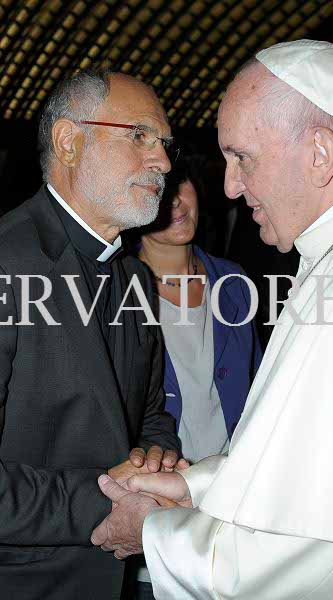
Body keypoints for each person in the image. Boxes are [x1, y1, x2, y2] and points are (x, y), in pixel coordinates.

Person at [93, 40, 333, 599]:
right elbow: (295, 452)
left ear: (320, 154)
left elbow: (308, 552)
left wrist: (155, 532)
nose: (230, 186)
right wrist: (192, 486)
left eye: (242, 157)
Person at [0, 69, 183, 600]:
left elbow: (150, 416)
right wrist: (109, 501)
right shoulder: (8, 261)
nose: (164, 161)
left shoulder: (136, 279)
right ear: (69, 141)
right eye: (139, 136)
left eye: (164, 143)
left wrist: (155, 462)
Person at [132, 154, 262, 598]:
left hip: (235, 507)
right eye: (158, 188)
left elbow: (259, 385)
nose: (174, 201)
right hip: (160, 507)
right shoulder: (114, 290)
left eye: (179, 183)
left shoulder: (233, 281)